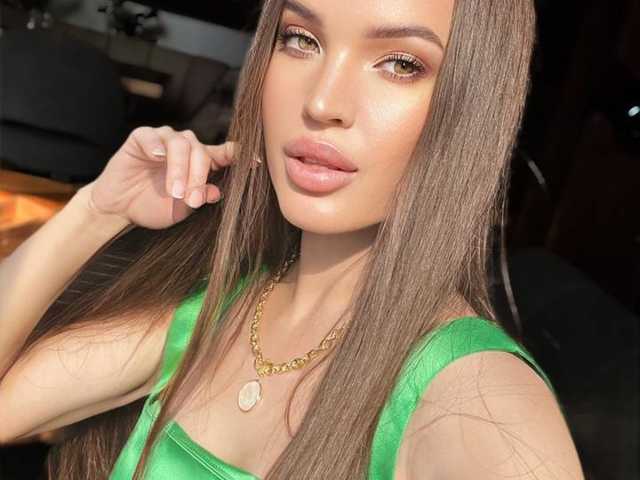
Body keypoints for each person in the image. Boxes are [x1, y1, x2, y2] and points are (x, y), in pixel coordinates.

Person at [0, 0, 585, 478]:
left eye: (401, 63)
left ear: (473, 109)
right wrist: (95, 211)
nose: (322, 102)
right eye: (301, 39)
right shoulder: (214, 315)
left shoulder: (473, 394)